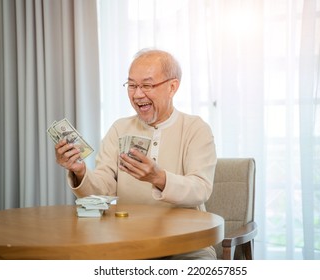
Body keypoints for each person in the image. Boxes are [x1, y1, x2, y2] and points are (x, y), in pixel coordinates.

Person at [54, 48, 217, 260]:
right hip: (127, 244)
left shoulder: (195, 128)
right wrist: (80, 171)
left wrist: (158, 177)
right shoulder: (119, 129)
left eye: (147, 85)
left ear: (172, 87)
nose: (137, 94)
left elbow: (201, 189)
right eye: (132, 85)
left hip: (187, 247)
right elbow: (104, 188)